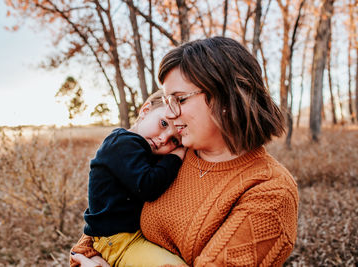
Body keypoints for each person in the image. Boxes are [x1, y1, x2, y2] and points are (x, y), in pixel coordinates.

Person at [73, 36, 299, 266]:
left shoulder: (270, 191)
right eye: (167, 101)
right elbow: (107, 204)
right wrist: (84, 255)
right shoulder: (176, 153)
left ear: (225, 97)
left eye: (179, 99)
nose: (170, 113)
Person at [70, 90, 187, 267]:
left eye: (175, 141)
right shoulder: (123, 143)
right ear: (145, 110)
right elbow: (147, 186)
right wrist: (176, 156)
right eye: (163, 123)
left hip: (129, 237)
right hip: (118, 240)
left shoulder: (140, 148)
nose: (164, 139)